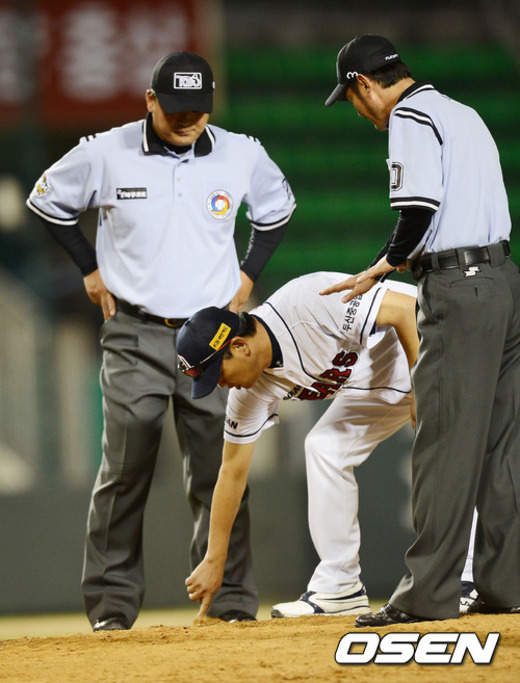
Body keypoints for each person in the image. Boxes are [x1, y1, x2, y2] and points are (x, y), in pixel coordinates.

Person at [26, 51, 296, 630]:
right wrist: (88, 267)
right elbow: (47, 200)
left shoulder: (241, 153)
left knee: (220, 469)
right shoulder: (106, 151)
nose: (188, 119)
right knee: (125, 469)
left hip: (215, 337)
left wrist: (249, 273)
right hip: (135, 332)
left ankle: (229, 603)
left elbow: (277, 208)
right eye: (175, 108)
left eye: (199, 109)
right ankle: (111, 609)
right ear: (150, 100)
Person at [321, 34, 520, 626]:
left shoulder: (410, 116)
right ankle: (506, 585)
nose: (359, 113)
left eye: (351, 99)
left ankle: (427, 594)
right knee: (502, 445)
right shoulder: (462, 111)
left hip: (460, 291)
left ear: (363, 84)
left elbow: (418, 209)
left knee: (445, 444)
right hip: (504, 281)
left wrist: (384, 263)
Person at [176, 271, 419, 618]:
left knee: (450, 449)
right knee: (324, 448)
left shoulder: (306, 302)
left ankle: (468, 577)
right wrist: (214, 561)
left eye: (218, 374)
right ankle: (340, 587)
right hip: (378, 384)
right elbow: (231, 473)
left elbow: (406, 309)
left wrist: (422, 380)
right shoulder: (248, 393)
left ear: (240, 347)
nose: (221, 385)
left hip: (428, 344)